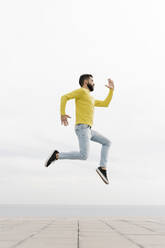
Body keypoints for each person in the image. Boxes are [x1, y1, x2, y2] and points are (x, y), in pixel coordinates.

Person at [45, 74, 114, 184]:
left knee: (107, 142)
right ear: (86, 82)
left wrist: (111, 90)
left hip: (89, 130)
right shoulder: (82, 91)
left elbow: (105, 104)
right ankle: (57, 155)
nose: (94, 83)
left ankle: (102, 168)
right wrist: (62, 113)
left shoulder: (91, 98)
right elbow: (64, 97)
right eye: (92, 80)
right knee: (84, 155)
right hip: (82, 128)